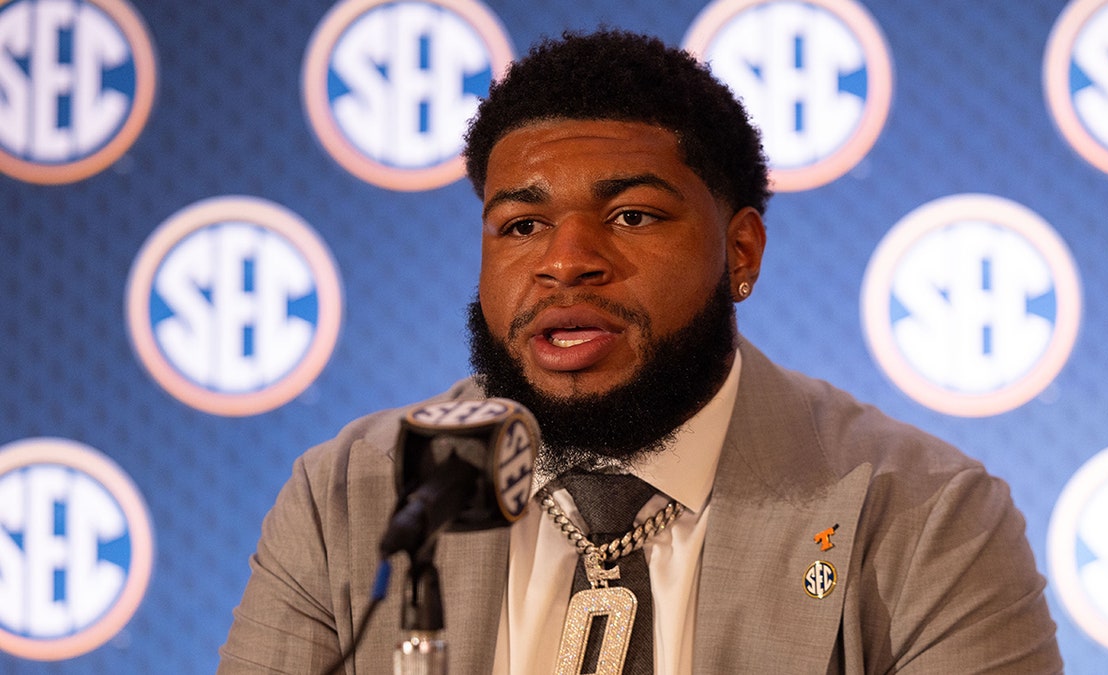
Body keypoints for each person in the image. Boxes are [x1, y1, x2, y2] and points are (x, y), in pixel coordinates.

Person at [219, 29, 1063, 674]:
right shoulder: (356, 499)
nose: (565, 259)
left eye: (632, 217)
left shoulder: (922, 515)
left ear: (741, 254)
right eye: (522, 225)